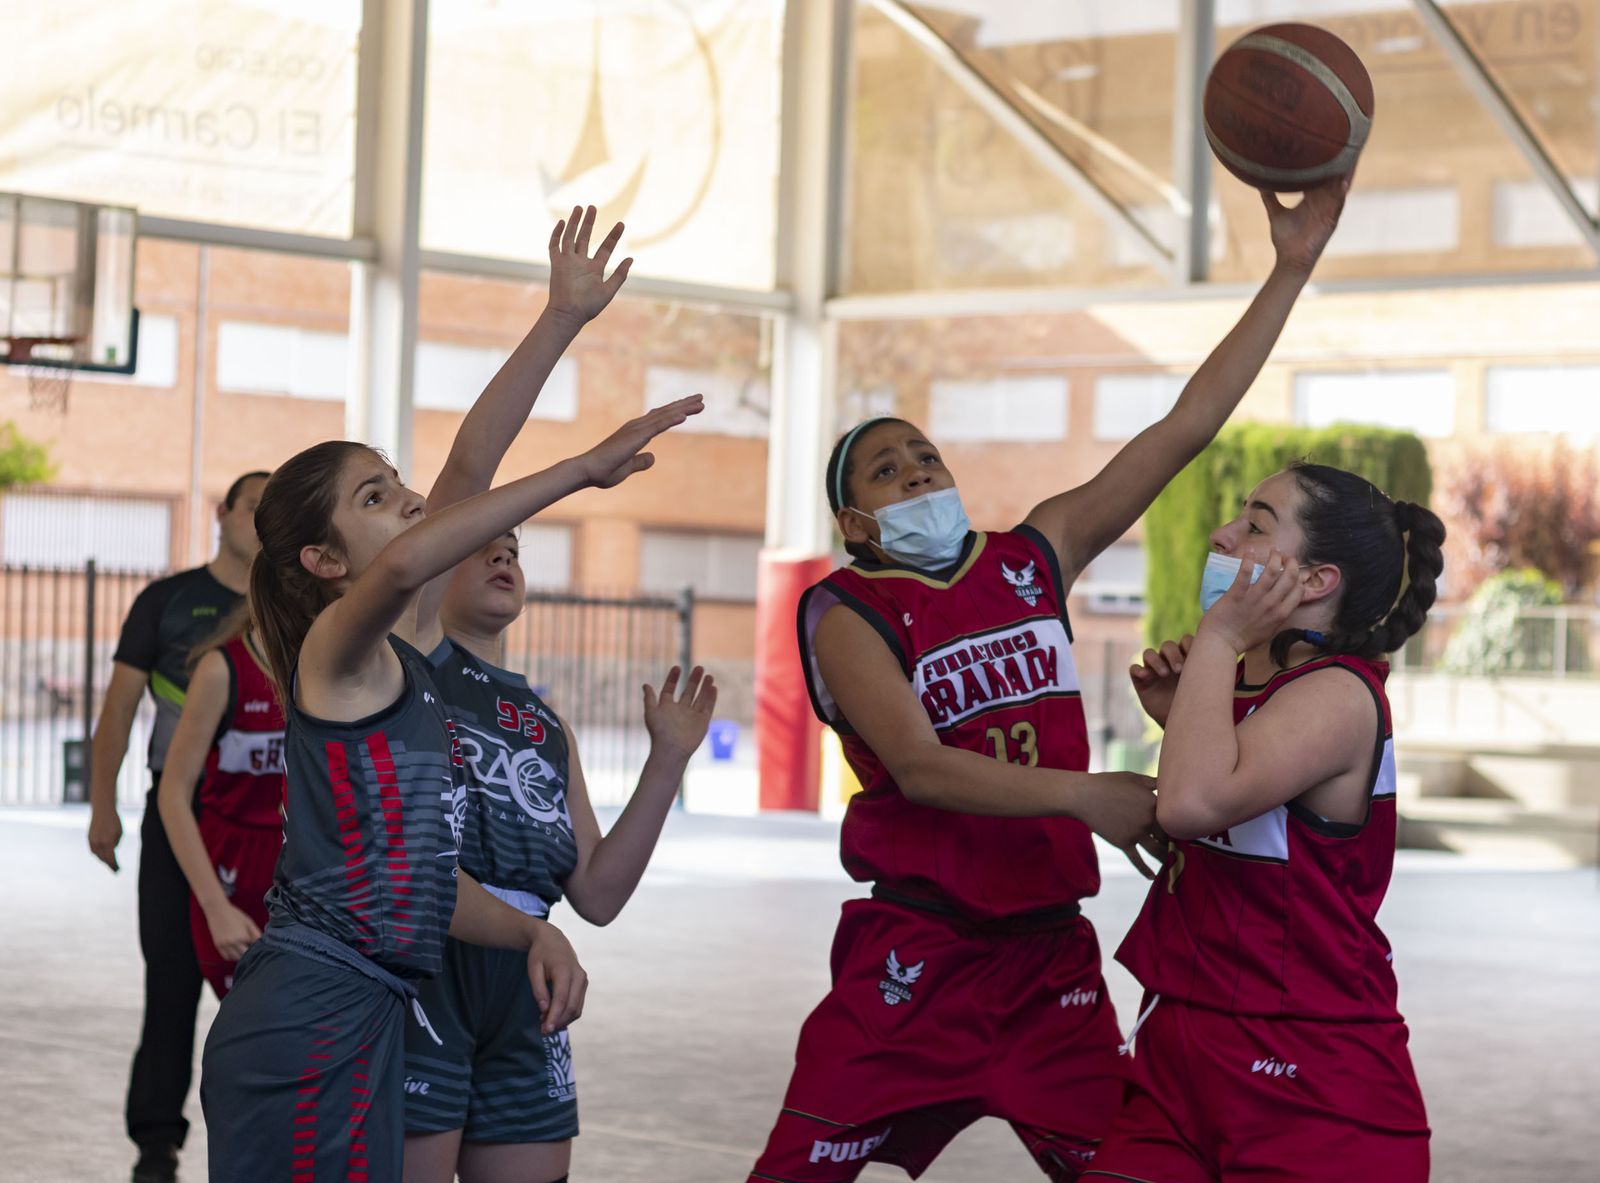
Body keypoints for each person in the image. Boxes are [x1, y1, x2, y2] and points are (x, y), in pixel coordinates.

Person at [748, 179, 1349, 1183]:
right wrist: (1092, 796)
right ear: (853, 524)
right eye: (886, 472)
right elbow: (918, 766)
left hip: (1045, 965)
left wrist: (1288, 269)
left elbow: (1184, 424)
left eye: (923, 457)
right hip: (915, 951)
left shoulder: (1030, 556)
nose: (916, 474)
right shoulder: (844, 609)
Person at [197, 382, 703, 1179]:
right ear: (325, 561)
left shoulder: (413, 663)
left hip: (367, 1005)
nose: (412, 498)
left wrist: (561, 317)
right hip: (309, 1010)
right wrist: (580, 468)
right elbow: (405, 560)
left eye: (400, 482)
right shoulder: (339, 651)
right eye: (377, 493)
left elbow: (469, 465)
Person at [396, 209, 718, 1183]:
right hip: (421, 973)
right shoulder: (403, 654)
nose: (502, 547)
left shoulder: (540, 721)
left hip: (529, 987)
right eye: (482, 539)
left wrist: (666, 762)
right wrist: (560, 323)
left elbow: (601, 896)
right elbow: (467, 474)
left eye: (514, 546)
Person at [1083, 464, 1443, 1183]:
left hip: (1310, 1082)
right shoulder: (1260, 690)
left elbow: (1188, 804)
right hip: (1183, 1052)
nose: (1223, 534)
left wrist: (1217, 642)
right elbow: (1222, 804)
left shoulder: (1337, 694)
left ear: (1316, 581)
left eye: (1255, 524)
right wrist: (1181, 715)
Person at [84, 469, 269, 1183]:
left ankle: (260, 1128)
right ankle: (156, 1144)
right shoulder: (167, 601)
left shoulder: (298, 607)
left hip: (265, 825)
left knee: (267, 984)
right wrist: (104, 805)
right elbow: (121, 708)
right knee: (172, 982)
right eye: (255, 507)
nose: (263, 520)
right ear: (223, 514)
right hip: (179, 814)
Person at [156, 605, 285, 998]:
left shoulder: (332, 663)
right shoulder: (222, 669)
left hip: (304, 868)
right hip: (234, 869)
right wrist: (215, 907)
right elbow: (173, 793)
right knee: (251, 1028)